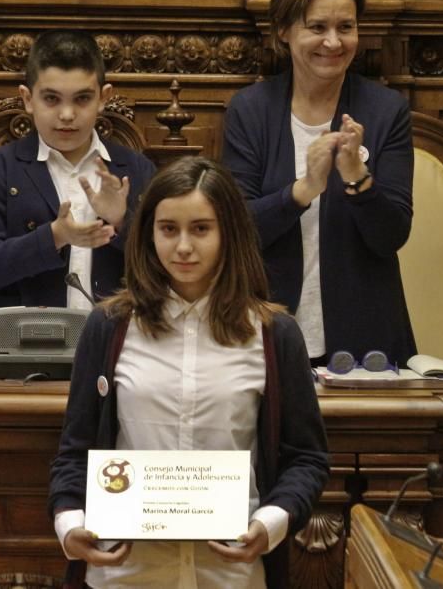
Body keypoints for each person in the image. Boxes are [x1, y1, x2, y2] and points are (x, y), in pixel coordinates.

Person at [48, 157, 328, 589]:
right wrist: (71, 522)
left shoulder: (275, 334)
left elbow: (306, 458)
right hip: (125, 572)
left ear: (228, 233)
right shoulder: (109, 328)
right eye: (168, 229)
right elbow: (75, 450)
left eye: (201, 228)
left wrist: (270, 523)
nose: (182, 247)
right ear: (148, 234)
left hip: (231, 573)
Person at [222, 0, 417, 369]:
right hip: (265, 331)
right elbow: (235, 229)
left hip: (368, 338)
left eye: (346, 27)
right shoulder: (250, 111)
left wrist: (357, 179)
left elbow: (391, 236)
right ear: (284, 31)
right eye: (317, 27)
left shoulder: (386, 111)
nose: (334, 42)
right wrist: (301, 191)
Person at [0, 30, 156, 354]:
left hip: (119, 356)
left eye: (82, 99)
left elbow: (163, 274)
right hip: (21, 357)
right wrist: (53, 236)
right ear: (27, 98)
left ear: (104, 97)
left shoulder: (134, 169)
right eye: (51, 99)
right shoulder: (2, 167)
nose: (67, 115)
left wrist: (122, 222)